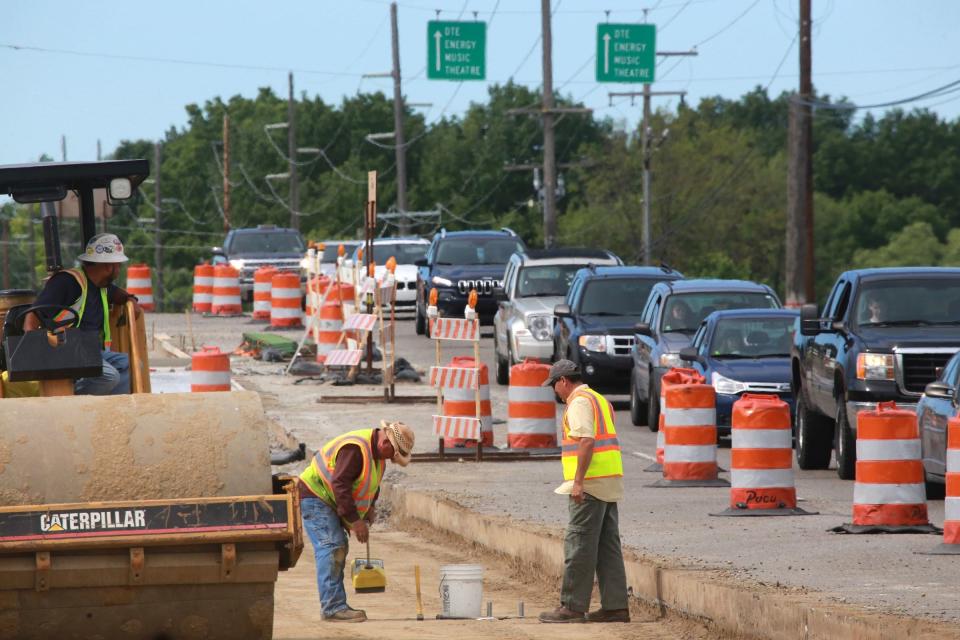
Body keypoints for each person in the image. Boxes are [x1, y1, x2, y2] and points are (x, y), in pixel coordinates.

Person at [539, 360, 629, 624]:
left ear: (564, 381)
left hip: (589, 486)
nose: (555, 391)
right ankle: (615, 607)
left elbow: (586, 441)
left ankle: (572, 607)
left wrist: (578, 482)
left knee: (578, 544)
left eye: (554, 385)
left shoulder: (578, 402)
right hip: (608, 483)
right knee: (607, 548)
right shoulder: (599, 399)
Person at [298, 421, 415, 623]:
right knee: (331, 546)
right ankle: (333, 608)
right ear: (386, 443)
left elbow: (372, 484)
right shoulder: (355, 449)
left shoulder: (378, 457)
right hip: (315, 495)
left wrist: (370, 508)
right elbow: (340, 484)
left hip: (328, 498)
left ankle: (336, 605)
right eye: (393, 455)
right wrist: (354, 521)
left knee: (338, 546)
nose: (392, 460)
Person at [23, 233, 141, 395]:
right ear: (109, 266)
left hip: (91, 352)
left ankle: (113, 410)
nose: (118, 269)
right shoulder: (67, 282)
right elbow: (34, 313)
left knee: (132, 364)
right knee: (109, 376)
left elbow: (117, 294)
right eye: (118, 265)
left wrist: (131, 299)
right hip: (66, 351)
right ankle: (73, 398)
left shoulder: (101, 286)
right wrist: (33, 344)